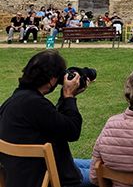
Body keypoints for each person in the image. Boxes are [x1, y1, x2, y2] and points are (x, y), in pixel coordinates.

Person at [0, 50, 94, 187]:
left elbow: (55, 122)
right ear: (52, 79)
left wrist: (66, 97)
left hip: (21, 173)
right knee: (105, 172)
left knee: (98, 162)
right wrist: (69, 96)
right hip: (46, 177)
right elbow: (72, 131)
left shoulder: (14, 100)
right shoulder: (36, 104)